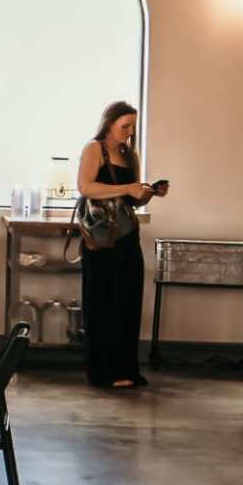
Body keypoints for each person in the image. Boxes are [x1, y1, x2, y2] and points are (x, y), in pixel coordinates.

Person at [75, 100, 168, 390]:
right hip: (101, 237)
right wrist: (127, 187)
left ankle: (126, 368)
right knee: (102, 301)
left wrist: (148, 193)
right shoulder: (94, 149)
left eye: (132, 127)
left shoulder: (129, 155)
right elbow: (86, 187)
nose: (129, 132)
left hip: (126, 234)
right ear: (109, 123)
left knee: (128, 300)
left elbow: (131, 200)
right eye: (124, 126)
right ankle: (102, 371)